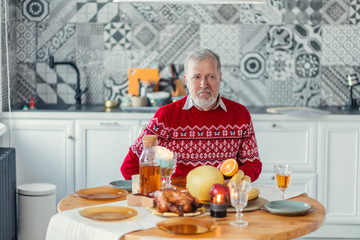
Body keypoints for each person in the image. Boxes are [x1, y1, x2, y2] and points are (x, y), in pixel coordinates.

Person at [121, 48, 262, 181]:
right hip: (179, 200)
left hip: (223, 198)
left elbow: (253, 164)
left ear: (220, 78)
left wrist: (237, 179)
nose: (203, 84)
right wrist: (162, 189)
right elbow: (129, 167)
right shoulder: (166, 115)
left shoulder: (240, 114)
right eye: (196, 77)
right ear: (186, 80)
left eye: (211, 76)